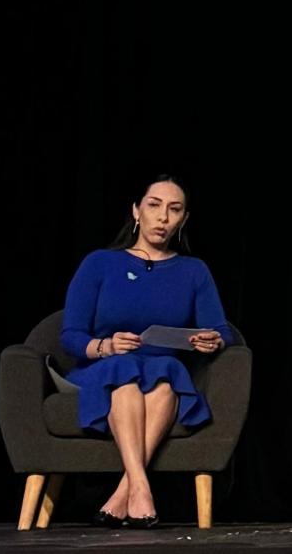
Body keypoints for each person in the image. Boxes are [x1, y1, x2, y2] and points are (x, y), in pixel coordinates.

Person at [59, 175, 233, 529]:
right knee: (126, 374)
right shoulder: (100, 263)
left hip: (161, 370)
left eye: (174, 209)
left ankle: (126, 493)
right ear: (136, 211)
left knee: (166, 378)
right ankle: (140, 487)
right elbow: (70, 335)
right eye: (154, 206)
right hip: (106, 368)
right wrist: (105, 346)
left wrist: (213, 340)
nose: (163, 217)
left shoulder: (193, 270)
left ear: (183, 219)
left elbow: (223, 331)